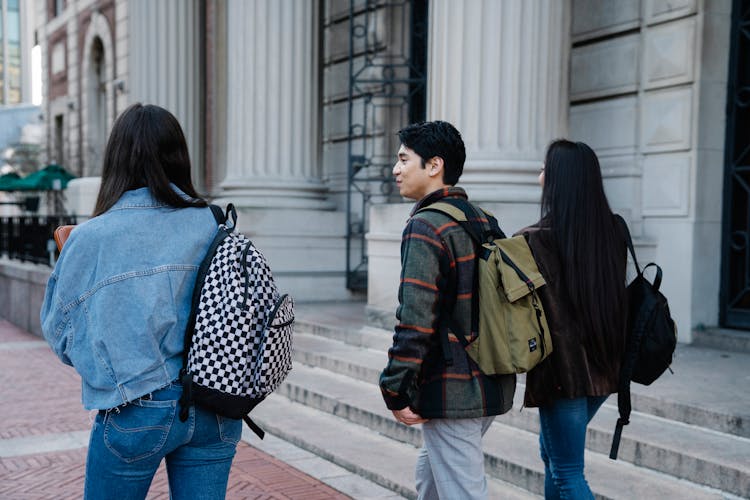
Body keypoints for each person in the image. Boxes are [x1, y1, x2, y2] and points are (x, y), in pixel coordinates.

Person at [40, 104, 242, 499]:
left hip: (135, 403)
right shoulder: (214, 220)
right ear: (179, 156)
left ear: (117, 159)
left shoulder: (91, 238)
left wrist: (114, 364)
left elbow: (60, 335)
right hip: (215, 402)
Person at [379, 120, 516, 500]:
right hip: (491, 376)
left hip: (452, 387)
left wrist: (395, 387)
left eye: (404, 159)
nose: (396, 169)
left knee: (462, 492)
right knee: (431, 477)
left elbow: (415, 319)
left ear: (434, 165)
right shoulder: (484, 220)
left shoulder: (426, 225)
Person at [520, 139, 628, 499]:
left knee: (567, 471)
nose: (541, 172)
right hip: (604, 363)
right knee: (552, 455)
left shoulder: (534, 241)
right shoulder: (612, 231)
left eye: (546, 167)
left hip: (561, 371)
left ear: (559, 180)